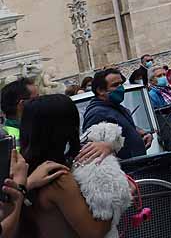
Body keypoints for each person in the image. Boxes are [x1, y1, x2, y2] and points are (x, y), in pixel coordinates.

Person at [12, 94, 128, 238]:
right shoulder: (58, 178)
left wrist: (109, 146)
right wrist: (115, 199)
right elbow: (94, 232)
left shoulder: (21, 170)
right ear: (65, 129)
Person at [82, 69, 151, 160]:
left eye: (121, 84)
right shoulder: (98, 114)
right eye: (115, 85)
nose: (120, 88)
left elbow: (121, 129)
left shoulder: (115, 107)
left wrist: (140, 134)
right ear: (100, 90)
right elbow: (96, 153)